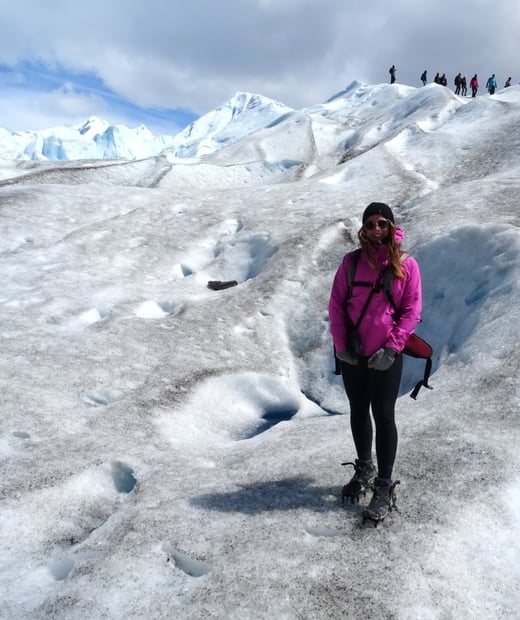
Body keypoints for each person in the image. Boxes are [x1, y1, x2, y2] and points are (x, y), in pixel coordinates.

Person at [329, 203, 422, 523]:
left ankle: (383, 485)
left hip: (386, 354)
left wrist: (393, 347)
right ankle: (364, 469)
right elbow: (337, 306)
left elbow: (412, 311)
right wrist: (342, 346)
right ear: (363, 229)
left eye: (382, 223)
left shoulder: (407, 265)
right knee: (358, 409)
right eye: (370, 224)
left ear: (392, 225)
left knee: (383, 415)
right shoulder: (351, 263)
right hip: (354, 353)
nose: (376, 229)